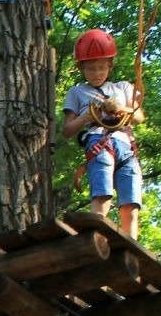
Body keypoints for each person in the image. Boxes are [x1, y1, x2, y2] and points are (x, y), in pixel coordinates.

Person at [61, 28, 146, 239]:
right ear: (82, 68)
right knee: (102, 194)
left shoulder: (123, 88)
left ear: (110, 65)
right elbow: (68, 130)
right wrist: (87, 116)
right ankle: (96, 236)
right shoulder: (77, 92)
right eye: (90, 69)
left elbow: (138, 117)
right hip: (99, 143)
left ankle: (131, 244)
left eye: (101, 68)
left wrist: (119, 108)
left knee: (130, 203)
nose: (96, 73)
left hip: (126, 144)